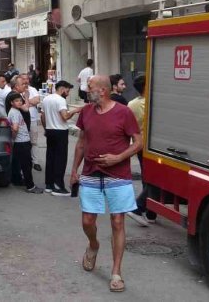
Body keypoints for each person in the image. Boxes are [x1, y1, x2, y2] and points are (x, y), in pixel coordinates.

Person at [69, 75, 143, 294]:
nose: (85, 90)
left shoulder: (123, 112)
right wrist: (74, 170)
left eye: (89, 87)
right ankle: (93, 245)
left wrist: (118, 158)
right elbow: (81, 142)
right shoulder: (86, 112)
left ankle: (116, 272)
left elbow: (138, 143)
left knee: (118, 221)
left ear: (102, 90)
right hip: (91, 173)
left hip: (118, 174)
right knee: (87, 220)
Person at [126, 74, 157, 226]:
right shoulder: (151, 103)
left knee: (147, 177)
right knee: (154, 180)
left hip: (139, 145)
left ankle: (151, 212)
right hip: (152, 147)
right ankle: (138, 207)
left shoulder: (131, 104)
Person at [42, 80, 80, 196]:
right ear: (62, 89)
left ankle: (49, 185)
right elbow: (65, 116)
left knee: (50, 158)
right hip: (60, 132)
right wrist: (75, 110)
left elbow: (43, 116)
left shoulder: (46, 99)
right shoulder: (61, 100)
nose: (68, 93)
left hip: (50, 130)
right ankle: (58, 186)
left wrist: (46, 129)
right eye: (67, 91)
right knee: (60, 159)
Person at [6, 92, 43, 194]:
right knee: (26, 165)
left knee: (23, 164)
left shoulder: (16, 111)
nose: (19, 102)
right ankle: (30, 186)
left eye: (20, 100)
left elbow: (26, 108)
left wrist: (26, 97)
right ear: (11, 102)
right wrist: (14, 138)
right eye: (16, 101)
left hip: (22, 141)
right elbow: (15, 128)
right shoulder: (14, 113)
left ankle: (21, 181)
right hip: (21, 142)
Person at [22, 75, 44, 172]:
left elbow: (37, 100)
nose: (26, 81)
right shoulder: (17, 90)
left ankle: (35, 162)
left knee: (34, 141)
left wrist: (26, 101)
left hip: (33, 119)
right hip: (21, 120)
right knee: (22, 142)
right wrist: (30, 102)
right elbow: (18, 103)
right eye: (23, 79)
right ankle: (25, 162)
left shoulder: (33, 89)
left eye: (27, 79)